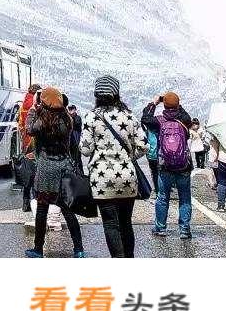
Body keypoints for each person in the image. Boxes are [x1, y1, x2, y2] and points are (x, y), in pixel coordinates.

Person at [80, 74, 146, 258]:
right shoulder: (129, 116)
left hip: (102, 179)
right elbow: (143, 145)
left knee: (110, 224)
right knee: (126, 222)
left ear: (97, 95)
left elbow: (85, 150)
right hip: (127, 177)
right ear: (116, 93)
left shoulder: (91, 118)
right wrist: (128, 157)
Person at [24, 87, 85, 258]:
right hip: (63, 166)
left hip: (45, 168)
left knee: (42, 210)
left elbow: (29, 129)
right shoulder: (67, 119)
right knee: (67, 210)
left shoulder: (41, 121)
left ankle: (38, 249)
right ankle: (78, 249)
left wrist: (33, 109)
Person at [142, 92, 193, 240]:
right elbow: (185, 114)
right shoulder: (184, 120)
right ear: (178, 105)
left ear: (164, 105)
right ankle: (184, 230)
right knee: (184, 198)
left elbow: (145, 118)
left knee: (163, 197)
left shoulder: (159, 121)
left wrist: (154, 102)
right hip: (183, 165)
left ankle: (160, 228)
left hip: (165, 165)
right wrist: (176, 104)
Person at [17, 83, 40, 216]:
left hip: (26, 142)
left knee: (28, 172)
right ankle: (35, 201)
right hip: (35, 142)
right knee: (37, 173)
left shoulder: (23, 104)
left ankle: (25, 202)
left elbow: (21, 124)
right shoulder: (36, 105)